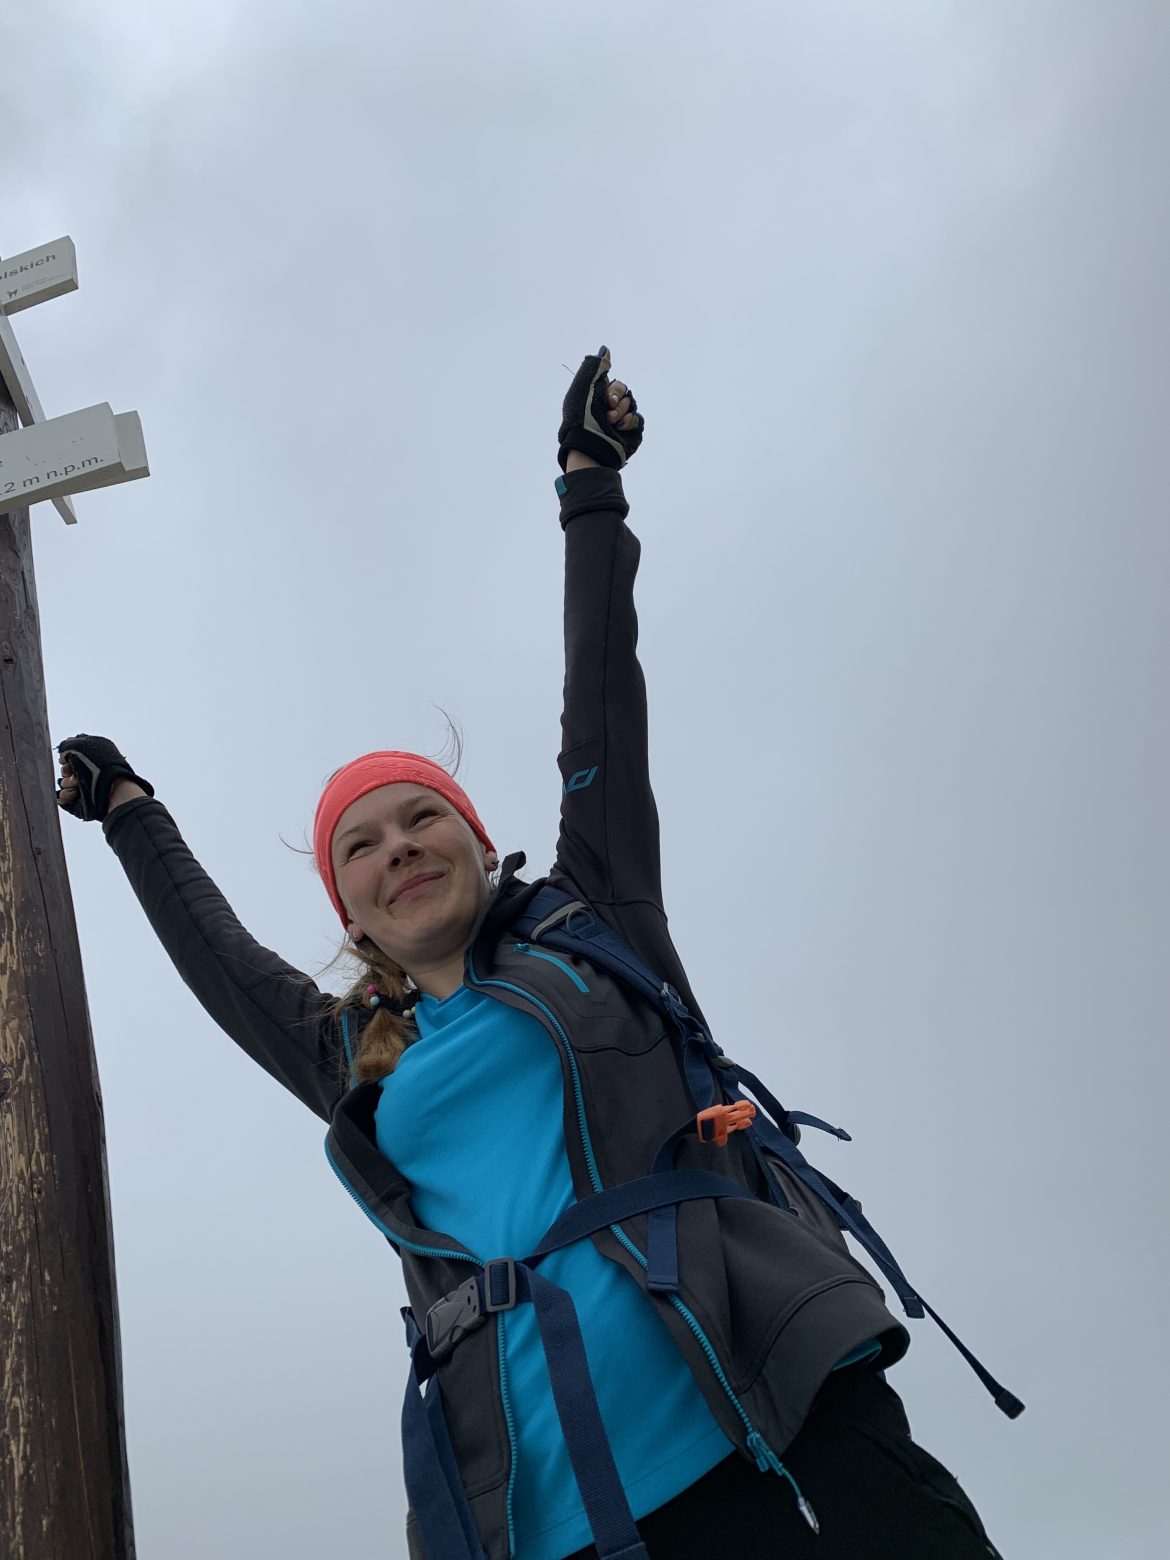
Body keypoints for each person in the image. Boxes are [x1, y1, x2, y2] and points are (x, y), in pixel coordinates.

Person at [56, 348, 1004, 1560]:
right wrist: (132, 811)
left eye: (420, 818)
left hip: (767, 1409)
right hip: (546, 1512)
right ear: (346, 908)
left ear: (478, 840)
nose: (397, 848)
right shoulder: (352, 1054)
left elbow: (601, 697)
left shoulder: (590, 917)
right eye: (361, 845)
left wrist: (588, 485)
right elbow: (221, 960)